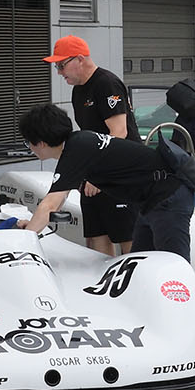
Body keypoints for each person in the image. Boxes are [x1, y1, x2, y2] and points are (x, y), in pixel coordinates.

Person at [17, 104, 192, 261]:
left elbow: (50, 204)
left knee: (175, 265)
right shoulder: (79, 142)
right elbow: (60, 197)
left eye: (28, 143)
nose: (30, 148)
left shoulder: (76, 150)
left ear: (40, 143)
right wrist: (33, 226)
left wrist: (22, 241)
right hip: (151, 201)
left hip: (168, 196)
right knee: (141, 264)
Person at [42, 35, 141, 254]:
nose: (58, 72)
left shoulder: (106, 83)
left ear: (79, 59)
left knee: (126, 233)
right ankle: (103, 280)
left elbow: (119, 132)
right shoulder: (78, 90)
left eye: (61, 65)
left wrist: (100, 174)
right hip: (95, 169)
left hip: (119, 170)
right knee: (96, 232)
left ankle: (134, 279)